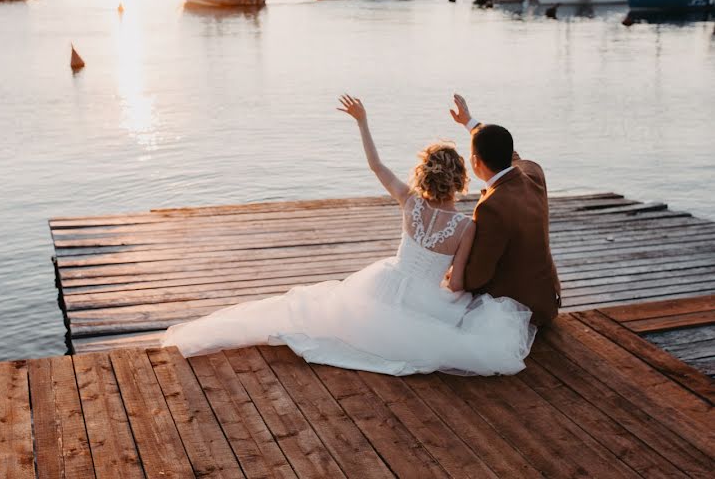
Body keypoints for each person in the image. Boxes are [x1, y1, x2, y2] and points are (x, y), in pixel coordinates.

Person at [161, 95, 536, 376]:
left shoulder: (409, 203)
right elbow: (455, 285)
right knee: (456, 326)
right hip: (426, 298)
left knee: (318, 309)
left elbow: (376, 165)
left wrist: (362, 121)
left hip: (384, 285)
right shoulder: (467, 226)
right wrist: (447, 292)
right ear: (460, 178)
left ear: (423, 175)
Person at [449, 94, 561, 325]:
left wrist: (451, 276)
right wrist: (469, 123)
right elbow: (510, 152)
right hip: (546, 300)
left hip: (518, 311)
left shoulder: (492, 207)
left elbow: (478, 274)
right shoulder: (533, 172)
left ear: (475, 161)